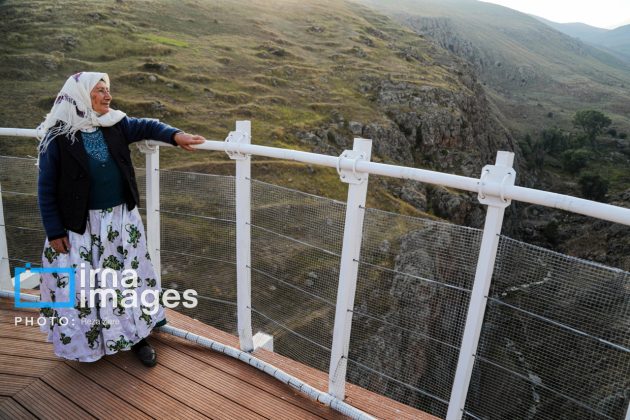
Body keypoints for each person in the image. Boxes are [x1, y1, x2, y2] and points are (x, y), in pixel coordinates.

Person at [36, 71, 205, 366]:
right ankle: (91, 343)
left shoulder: (115, 124)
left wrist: (175, 136)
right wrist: (54, 230)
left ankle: (138, 336)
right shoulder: (59, 137)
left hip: (120, 222)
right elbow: (46, 188)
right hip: (80, 228)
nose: (107, 95)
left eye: (107, 89)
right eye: (99, 91)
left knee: (127, 281)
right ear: (80, 96)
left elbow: (147, 125)